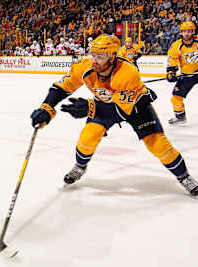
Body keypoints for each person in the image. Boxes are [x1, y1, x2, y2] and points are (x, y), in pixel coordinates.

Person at [30, 34, 198, 195]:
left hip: (137, 109)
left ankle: (184, 176)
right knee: (87, 138)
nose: (94, 60)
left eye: (100, 56)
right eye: (93, 54)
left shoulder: (128, 73)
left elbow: (123, 109)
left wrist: (90, 107)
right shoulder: (85, 66)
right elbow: (60, 88)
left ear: (112, 57)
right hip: (104, 105)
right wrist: (46, 107)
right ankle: (80, 167)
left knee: (159, 146)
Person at [166, 21, 198, 125]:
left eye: (189, 31)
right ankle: (180, 117)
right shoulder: (176, 45)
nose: (187, 33)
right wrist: (171, 72)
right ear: (181, 32)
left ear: (193, 32)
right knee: (176, 97)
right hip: (187, 76)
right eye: (184, 31)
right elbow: (172, 59)